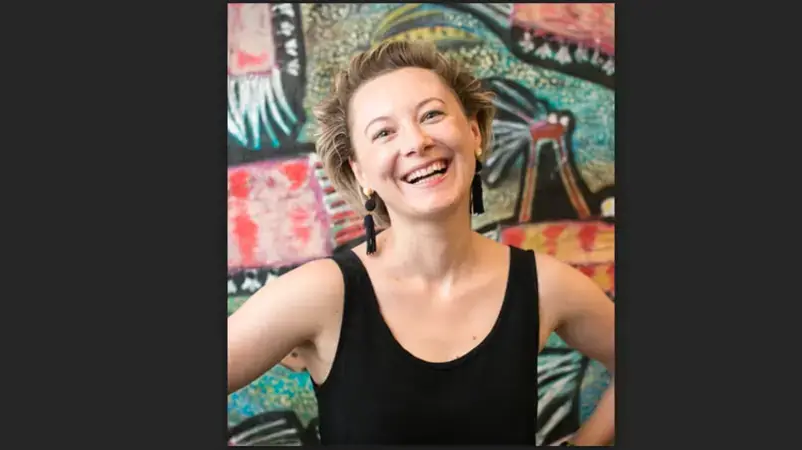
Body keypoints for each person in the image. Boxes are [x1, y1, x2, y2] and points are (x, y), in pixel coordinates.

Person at [227, 40, 615, 445]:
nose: (416, 142)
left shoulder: (543, 286)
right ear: (359, 172)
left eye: (431, 114)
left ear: (474, 132)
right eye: (383, 132)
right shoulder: (325, 292)